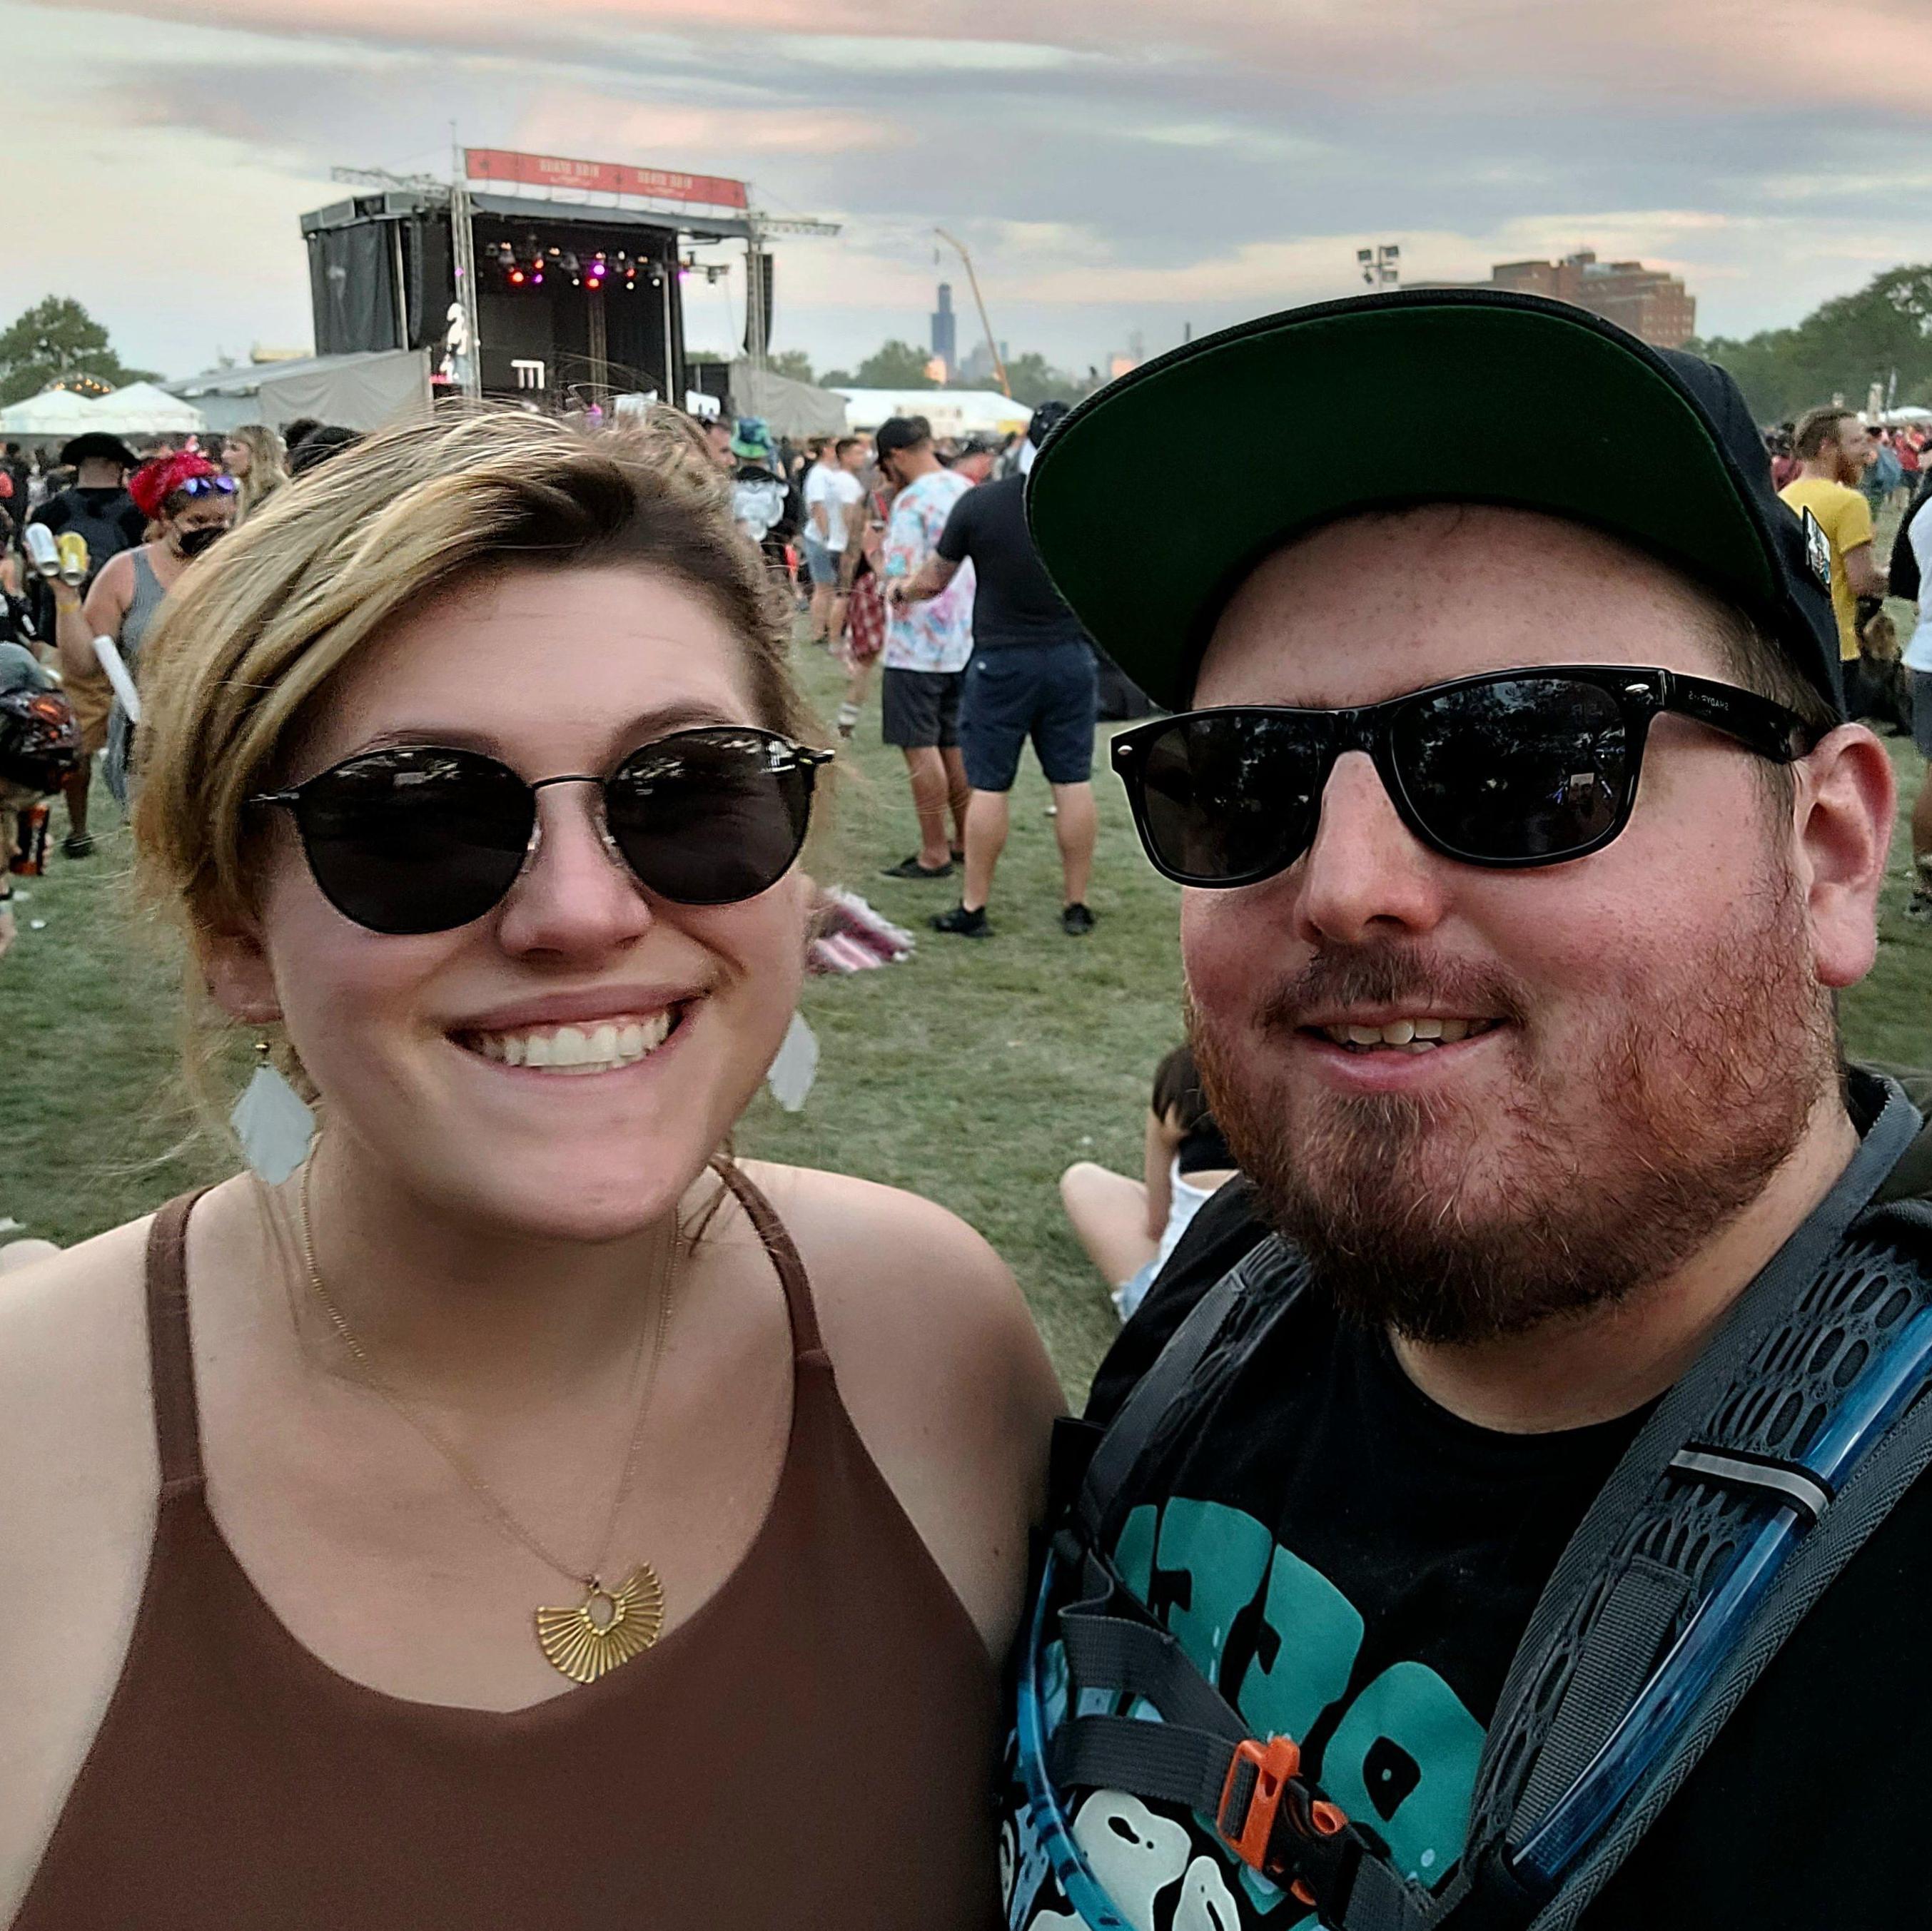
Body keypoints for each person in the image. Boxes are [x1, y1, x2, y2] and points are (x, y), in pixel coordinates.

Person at [0, 408, 1060, 1927]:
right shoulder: (29, 1450)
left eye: (687, 789)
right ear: (236, 934)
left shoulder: (934, 1336)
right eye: (419, 818)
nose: (582, 911)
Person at [1000, 288, 1932, 1931]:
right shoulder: (1227, 1293)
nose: (1343, 886)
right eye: (1244, 779)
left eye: (1522, 756)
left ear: (1829, 853)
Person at [899, 400, 1099, 937]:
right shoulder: (1090, 502)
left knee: (990, 786)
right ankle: (1076, 904)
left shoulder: (982, 503)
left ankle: (974, 908)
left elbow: (932, 581)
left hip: (1002, 661)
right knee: (1072, 782)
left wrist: (899, 589)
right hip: (1070, 657)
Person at [51, 451, 237, 811]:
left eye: (223, 521)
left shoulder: (240, 569)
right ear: (164, 517)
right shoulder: (126, 572)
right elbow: (84, 666)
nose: (212, 531)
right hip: (149, 742)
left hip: (224, 734)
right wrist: (66, 597)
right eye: (197, 521)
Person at [1061, 1043, 1240, 1323]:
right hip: (1281, 1316)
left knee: (1083, 1180)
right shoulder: (1306, 1087)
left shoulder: (1183, 1077)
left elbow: (1157, 1225)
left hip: (1172, 1322)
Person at [27, 432, 144, 856]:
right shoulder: (139, 512)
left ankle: (78, 831)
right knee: (144, 739)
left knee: (75, 743)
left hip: (67, 635)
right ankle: (142, 828)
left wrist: (42, 634)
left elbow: (36, 582)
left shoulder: (50, 513)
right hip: (132, 638)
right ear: (119, 466)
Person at [874, 415, 975, 881]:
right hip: (963, 638)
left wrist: (884, 576)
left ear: (894, 456)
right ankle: (964, 839)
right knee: (954, 745)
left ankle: (933, 851)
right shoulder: (966, 489)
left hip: (915, 644)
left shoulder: (912, 501)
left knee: (920, 748)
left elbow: (900, 575)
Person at [1780, 405, 1887, 719]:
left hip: (1795, 643)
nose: (1865, 452)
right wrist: (1902, 577)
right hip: (1837, 646)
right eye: (1855, 442)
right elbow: (1862, 581)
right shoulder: (1849, 503)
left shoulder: (1785, 497)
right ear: (1827, 447)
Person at [801, 436, 866, 648]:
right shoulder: (823, 476)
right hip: (825, 540)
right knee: (830, 590)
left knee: (830, 590)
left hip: (828, 540)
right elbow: (819, 508)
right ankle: (824, 633)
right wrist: (827, 536)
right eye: (858, 453)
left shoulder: (831, 476)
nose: (863, 457)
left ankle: (826, 631)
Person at [222, 425, 289, 523]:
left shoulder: (275, 493)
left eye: (234, 449)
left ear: (259, 454)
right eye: (226, 449)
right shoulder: (245, 493)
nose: (224, 455)